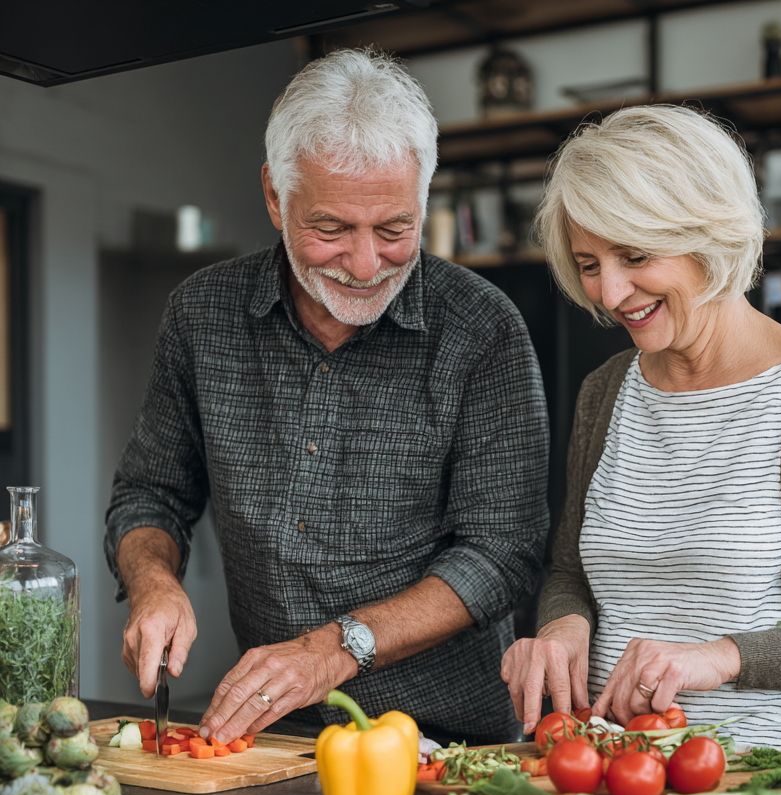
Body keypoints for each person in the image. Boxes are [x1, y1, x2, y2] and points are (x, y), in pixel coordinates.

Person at [106, 49, 548, 746]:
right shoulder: (201, 316)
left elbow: (503, 553)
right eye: (332, 229)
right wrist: (153, 583)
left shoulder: (484, 330)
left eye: (395, 229)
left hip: (455, 741)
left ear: (424, 199)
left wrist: (335, 650)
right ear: (276, 198)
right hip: (280, 738)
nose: (367, 266)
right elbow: (150, 493)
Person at [501, 105, 781, 750]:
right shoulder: (605, 394)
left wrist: (722, 657)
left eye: (635, 254)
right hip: (615, 773)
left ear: (709, 233)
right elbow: (571, 568)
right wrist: (564, 625)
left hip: (772, 789)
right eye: (588, 263)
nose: (610, 291)